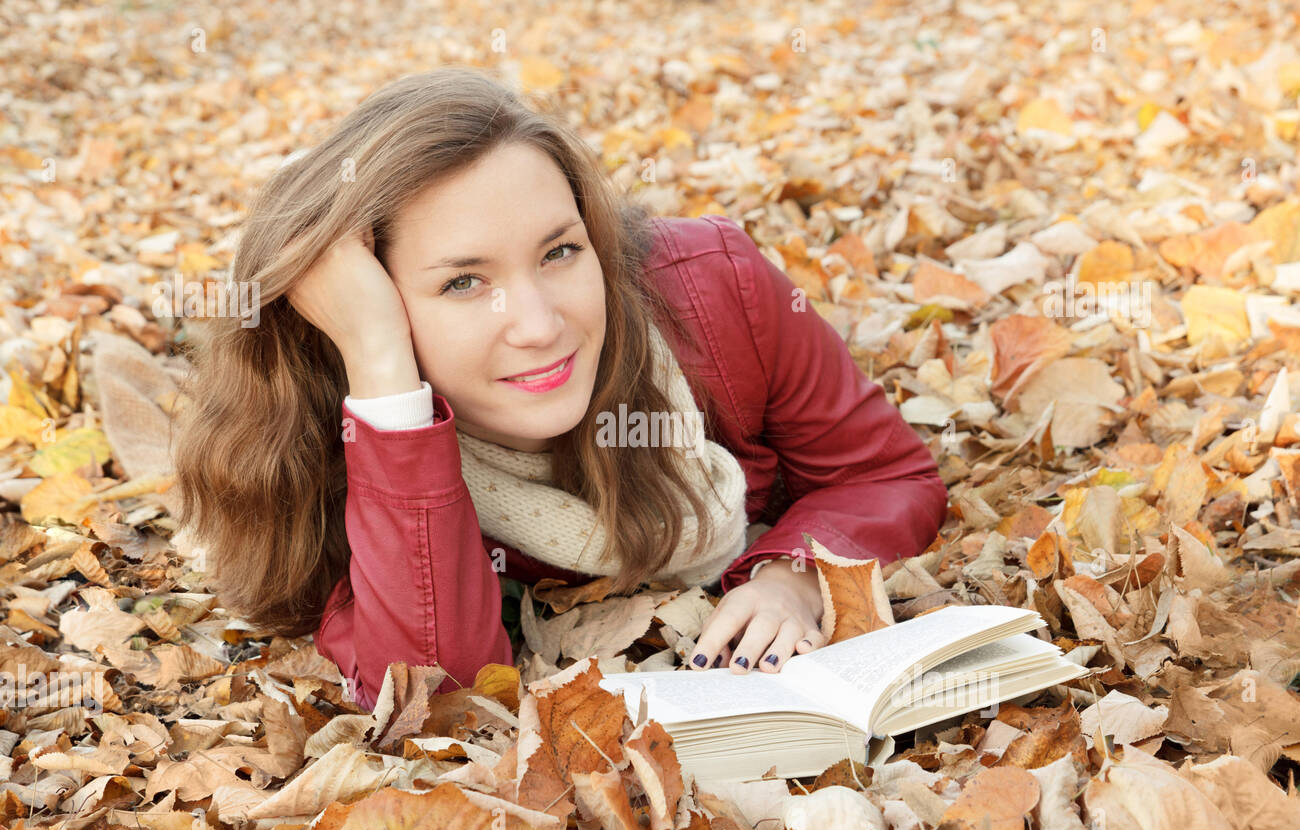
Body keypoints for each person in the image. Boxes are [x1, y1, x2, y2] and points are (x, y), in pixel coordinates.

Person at [172, 66, 948, 712]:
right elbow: (438, 692)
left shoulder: (715, 288)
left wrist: (793, 575)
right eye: (464, 282)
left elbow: (881, 473)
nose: (539, 325)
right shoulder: (328, 430)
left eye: (558, 252)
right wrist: (382, 369)